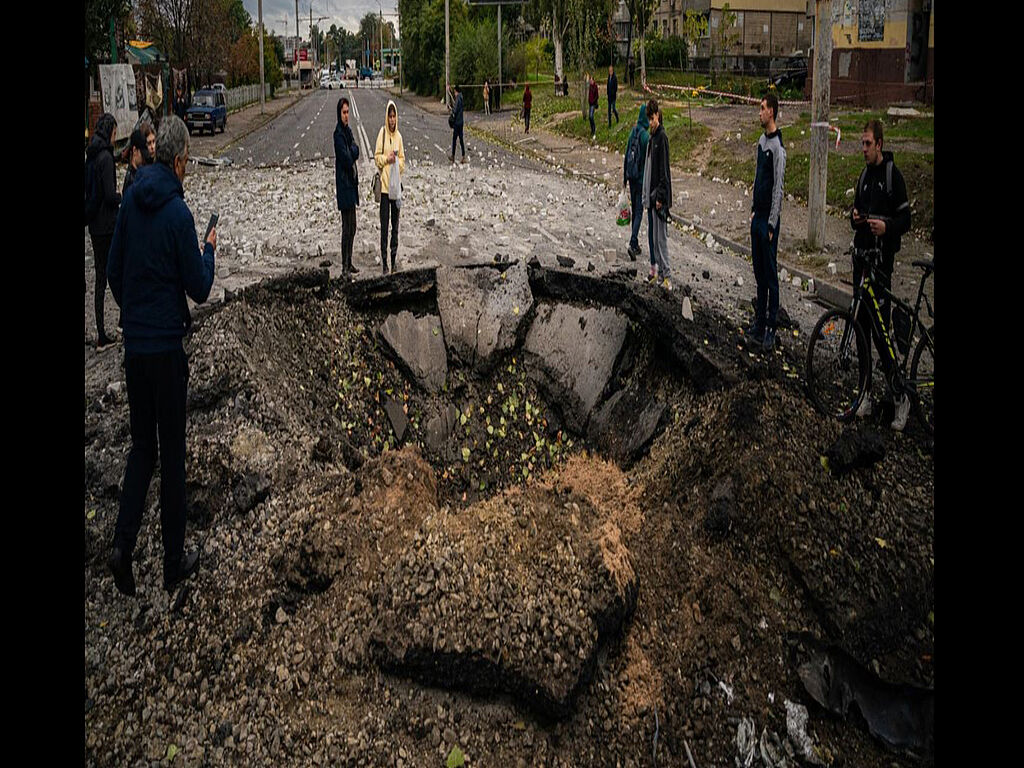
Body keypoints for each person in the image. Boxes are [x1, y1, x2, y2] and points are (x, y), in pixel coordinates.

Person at [105, 114, 215, 597]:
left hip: (135, 349)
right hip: (167, 350)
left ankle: (121, 547)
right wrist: (208, 250)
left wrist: (135, 313)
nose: (187, 168)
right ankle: (173, 562)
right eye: (187, 161)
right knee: (172, 456)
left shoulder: (130, 200)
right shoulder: (178, 215)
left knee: (140, 450)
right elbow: (200, 287)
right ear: (177, 160)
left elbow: (112, 271)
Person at [851, 118, 913, 430]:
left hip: (882, 266)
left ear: (879, 144)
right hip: (861, 262)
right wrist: (857, 218)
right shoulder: (863, 176)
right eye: (861, 143)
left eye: (867, 144)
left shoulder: (892, 177)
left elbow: (906, 219)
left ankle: (899, 396)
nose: (863, 149)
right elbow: (854, 216)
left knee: (880, 332)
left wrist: (887, 227)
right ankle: (865, 393)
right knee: (860, 329)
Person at [748, 92, 786, 351]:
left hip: (768, 222)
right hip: (757, 215)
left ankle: (772, 325)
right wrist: (753, 209)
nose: (759, 113)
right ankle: (759, 322)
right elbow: (757, 177)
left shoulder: (778, 149)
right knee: (759, 273)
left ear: (771, 111)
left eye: (762, 108)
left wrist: (772, 224)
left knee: (771, 276)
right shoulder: (761, 141)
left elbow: (778, 189)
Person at [85, 112, 121, 351]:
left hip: (94, 226)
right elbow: (109, 195)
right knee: (116, 272)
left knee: (100, 279)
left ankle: (100, 333)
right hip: (107, 225)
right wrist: (122, 197)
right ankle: (122, 323)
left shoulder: (92, 155)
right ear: (110, 132)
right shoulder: (105, 158)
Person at [643, 99, 672, 290]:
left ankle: (667, 275)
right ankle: (659, 274)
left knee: (661, 239)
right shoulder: (652, 138)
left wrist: (660, 196)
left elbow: (664, 171)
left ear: (657, 116)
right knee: (654, 239)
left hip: (659, 197)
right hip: (653, 197)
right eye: (649, 119)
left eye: (652, 119)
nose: (650, 122)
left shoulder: (661, 138)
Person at [375, 99, 406, 274]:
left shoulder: (399, 137)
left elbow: (403, 160)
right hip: (385, 189)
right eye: (390, 116)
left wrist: (397, 164)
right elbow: (376, 157)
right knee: (385, 227)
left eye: (394, 117)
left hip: (396, 190)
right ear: (387, 117)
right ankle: (384, 262)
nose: (392, 120)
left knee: (395, 225)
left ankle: (394, 260)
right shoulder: (383, 134)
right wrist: (386, 159)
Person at [334, 96, 360, 279]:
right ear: (339, 113)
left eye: (348, 112)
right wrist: (352, 151)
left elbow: (356, 148)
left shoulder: (348, 131)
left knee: (353, 226)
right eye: (344, 112)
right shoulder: (338, 134)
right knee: (346, 227)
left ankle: (349, 262)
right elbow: (346, 157)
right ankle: (344, 266)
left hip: (351, 184)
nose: (346, 116)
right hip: (344, 185)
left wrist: (352, 151)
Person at [622, 104, 650, 262]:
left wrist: (624, 178)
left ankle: (635, 241)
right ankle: (633, 242)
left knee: (634, 208)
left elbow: (627, 154)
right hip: (640, 178)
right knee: (639, 211)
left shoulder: (633, 132)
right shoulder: (646, 136)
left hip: (631, 177)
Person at [121, 123, 155, 197]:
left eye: (154, 142)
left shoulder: (154, 164)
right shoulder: (134, 174)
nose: (153, 147)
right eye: (149, 143)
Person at [449, 85, 465, 164]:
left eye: (454, 92)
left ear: (456, 91)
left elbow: (455, 110)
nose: (454, 94)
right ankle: (463, 156)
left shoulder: (458, 98)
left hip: (457, 122)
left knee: (454, 139)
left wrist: (452, 112)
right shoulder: (461, 97)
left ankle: (453, 156)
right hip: (461, 121)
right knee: (461, 139)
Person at [587, 73, 599, 141]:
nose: (591, 82)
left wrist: (593, 101)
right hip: (590, 103)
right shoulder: (590, 87)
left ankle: (594, 129)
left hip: (593, 104)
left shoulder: (595, 87)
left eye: (591, 80)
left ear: (593, 81)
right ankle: (592, 129)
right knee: (590, 117)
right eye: (590, 80)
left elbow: (597, 96)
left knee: (591, 116)